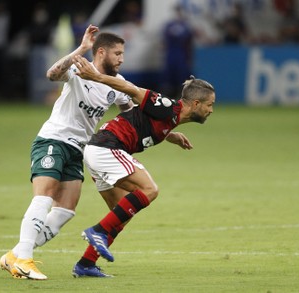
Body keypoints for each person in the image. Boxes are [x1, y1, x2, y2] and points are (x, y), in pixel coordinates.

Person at [0, 25, 135, 280]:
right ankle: (24, 260)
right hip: (54, 139)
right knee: (45, 195)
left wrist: (168, 132)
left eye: (122, 54)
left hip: (77, 148)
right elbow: (52, 74)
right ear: (101, 52)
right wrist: (81, 49)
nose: (121, 59)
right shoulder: (80, 67)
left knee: (65, 211)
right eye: (117, 53)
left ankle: (13, 255)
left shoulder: (117, 84)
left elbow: (132, 114)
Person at [70, 55, 215, 278]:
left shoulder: (170, 119)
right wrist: (96, 77)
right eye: (209, 105)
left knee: (122, 214)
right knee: (150, 190)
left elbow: (145, 121)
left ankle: (86, 264)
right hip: (107, 148)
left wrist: (170, 136)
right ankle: (96, 231)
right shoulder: (166, 105)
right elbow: (130, 88)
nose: (211, 110)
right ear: (196, 104)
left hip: (97, 151)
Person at [161, 4, 194, 98]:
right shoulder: (169, 25)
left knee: (182, 76)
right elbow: (164, 41)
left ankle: (182, 97)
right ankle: (166, 98)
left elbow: (189, 43)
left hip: (181, 54)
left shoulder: (186, 26)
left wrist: (189, 57)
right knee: (168, 77)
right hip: (171, 54)